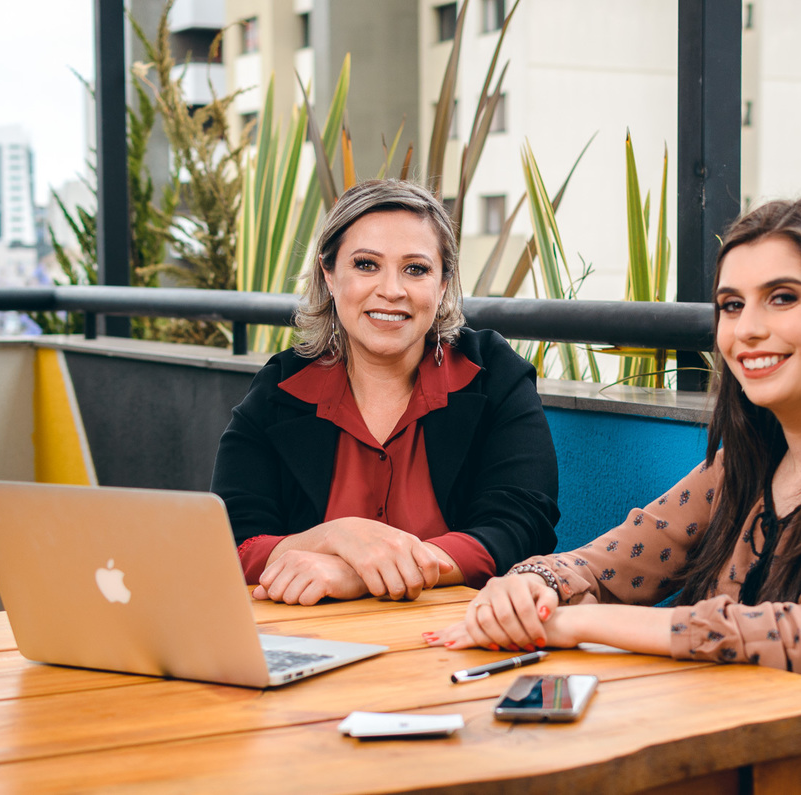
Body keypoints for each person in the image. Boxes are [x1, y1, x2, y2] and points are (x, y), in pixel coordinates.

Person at [427, 197, 801, 794]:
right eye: (731, 306)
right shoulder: (742, 468)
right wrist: (533, 585)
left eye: (783, 297)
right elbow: (609, 562)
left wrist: (571, 626)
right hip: (715, 752)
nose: (748, 329)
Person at [212, 179, 559, 606]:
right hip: (310, 640)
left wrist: (359, 573)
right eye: (365, 264)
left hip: (459, 633)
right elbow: (232, 540)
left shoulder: (493, 375)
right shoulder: (279, 390)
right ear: (329, 274)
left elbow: (520, 527)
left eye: (416, 268)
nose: (391, 290)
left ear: (443, 284)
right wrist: (335, 536)